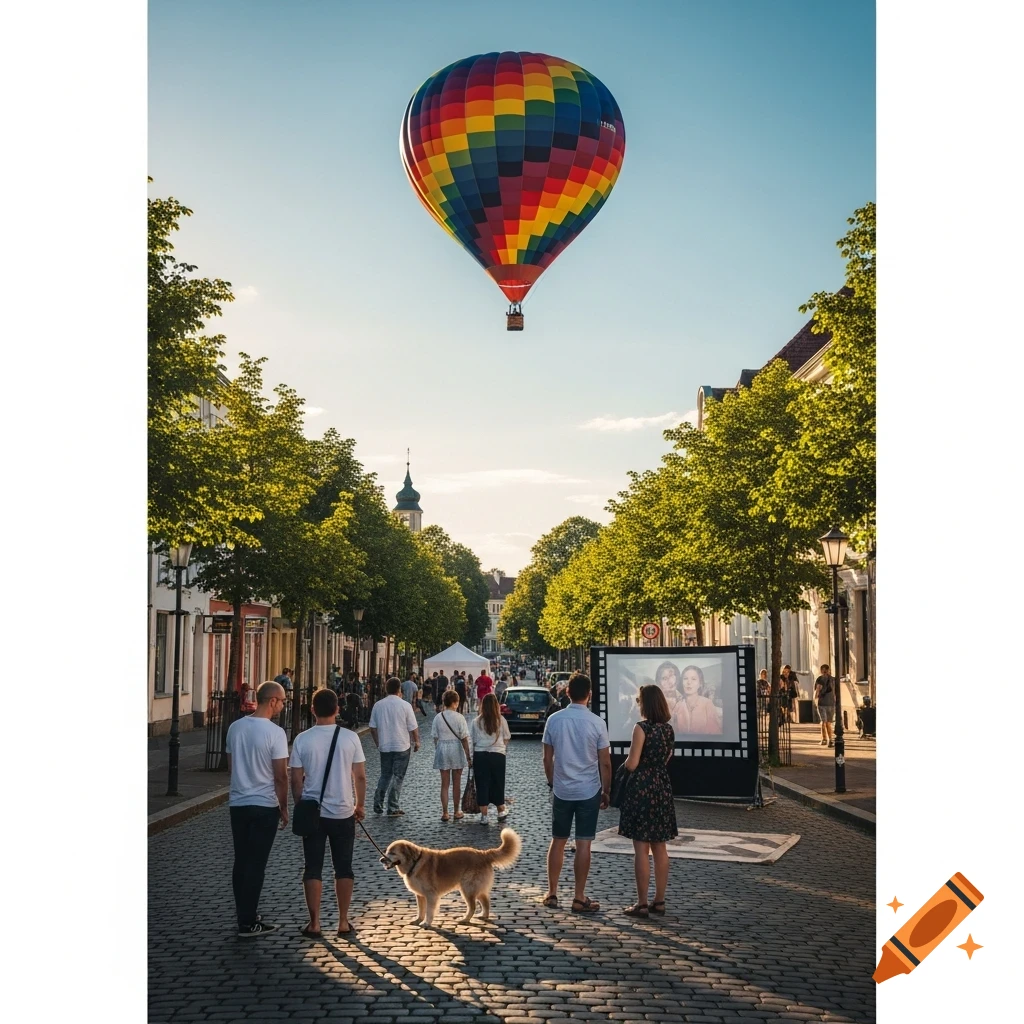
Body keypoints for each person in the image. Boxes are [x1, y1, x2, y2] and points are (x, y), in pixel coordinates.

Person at [288, 688, 367, 938]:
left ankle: (315, 923)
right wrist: (360, 805)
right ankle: (343, 921)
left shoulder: (302, 739)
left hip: (313, 813)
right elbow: (361, 776)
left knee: (312, 868)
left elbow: (295, 779)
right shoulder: (350, 738)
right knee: (344, 867)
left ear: (312, 710)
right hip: (343, 811)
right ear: (337, 709)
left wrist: (301, 802)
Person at [540, 672, 612, 913]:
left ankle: (552, 893)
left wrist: (552, 781)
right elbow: (605, 762)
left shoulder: (555, 720)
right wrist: (606, 789)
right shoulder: (597, 723)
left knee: (558, 841)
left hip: (562, 789)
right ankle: (579, 897)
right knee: (583, 844)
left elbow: (547, 758)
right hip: (588, 790)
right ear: (589, 695)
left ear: (567, 693)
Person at [225, 680, 290, 936]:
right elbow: (281, 776)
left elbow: (231, 768)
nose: (283, 705)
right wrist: (284, 807)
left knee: (241, 861)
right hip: (264, 806)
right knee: (256, 864)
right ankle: (248, 921)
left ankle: (244, 913)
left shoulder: (235, 728)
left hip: (238, 804)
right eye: (283, 701)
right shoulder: (275, 733)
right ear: (272, 701)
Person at [617, 685, 678, 917]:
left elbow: (632, 763)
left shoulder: (640, 728)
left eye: (639, 700)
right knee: (660, 846)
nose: (637, 703)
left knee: (641, 848)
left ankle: (642, 904)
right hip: (661, 786)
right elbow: (667, 757)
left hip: (641, 787)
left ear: (646, 703)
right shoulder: (668, 730)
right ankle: (659, 901)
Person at [368, 677, 420, 815]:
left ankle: (377, 803)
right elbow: (413, 727)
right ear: (399, 690)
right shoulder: (405, 705)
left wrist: (378, 743)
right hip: (402, 745)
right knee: (398, 776)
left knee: (385, 775)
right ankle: (393, 806)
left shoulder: (378, 705)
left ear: (386, 689)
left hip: (385, 745)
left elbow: (372, 728)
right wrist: (417, 741)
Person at [469, 692, 512, 824]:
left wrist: (471, 757)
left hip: (481, 755)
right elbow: (507, 737)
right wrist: (501, 748)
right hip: (498, 755)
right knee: (498, 783)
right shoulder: (501, 720)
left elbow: (474, 741)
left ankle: (484, 816)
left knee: (482, 784)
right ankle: (500, 811)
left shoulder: (476, 721)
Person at [431, 689, 472, 821]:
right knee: (456, 783)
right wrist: (468, 756)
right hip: (456, 748)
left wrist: (439, 749)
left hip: (442, 748)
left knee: (444, 784)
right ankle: (456, 811)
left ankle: (445, 813)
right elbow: (464, 738)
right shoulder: (459, 718)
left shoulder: (438, 717)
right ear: (455, 702)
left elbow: (435, 737)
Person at [672, 665, 723, 736]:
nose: (689, 682)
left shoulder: (707, 704)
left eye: (693, 679)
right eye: (685, 678)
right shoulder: (677, 706)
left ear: (700, 684)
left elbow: (715, 734)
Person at [814, 664, 836, 747]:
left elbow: (817, 691)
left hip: (822, 703)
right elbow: (835, 693)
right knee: (829, 723)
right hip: (831, 704)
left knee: (823, 722)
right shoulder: (833, 680)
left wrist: (815, 700)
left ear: (821, 671)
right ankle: (830, 740)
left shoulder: (820, 679)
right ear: (829, 670)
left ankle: (824, 739)